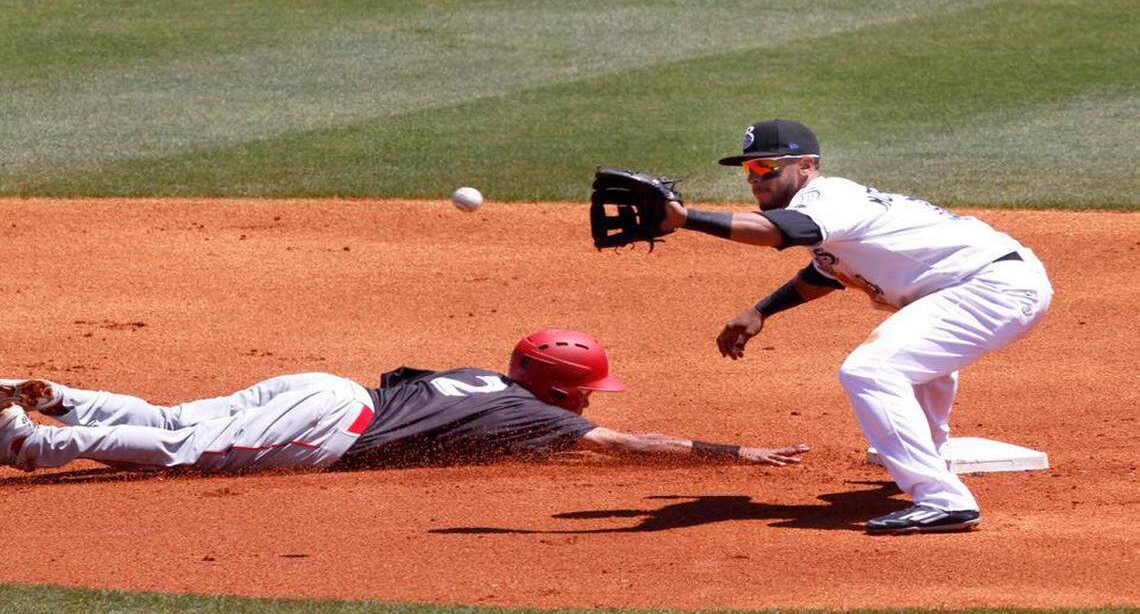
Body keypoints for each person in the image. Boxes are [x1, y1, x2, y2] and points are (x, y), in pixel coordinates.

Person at [659, 119, 1053, 534]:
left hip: (991, 286)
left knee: (871, 369)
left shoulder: (829, 197)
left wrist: (686, 219)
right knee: (914, 363)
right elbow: (827, 272)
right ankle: (931, 461)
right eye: (749, 171)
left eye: (767, 168)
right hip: (977, 285)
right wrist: (762, 311)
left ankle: (943, 501)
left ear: (807, 165)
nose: (757, 180)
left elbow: (783, 234)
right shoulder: (821, 209)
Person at [0, 329, 809, 475]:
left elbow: (404, 387)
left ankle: (59, 398)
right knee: (183, 451)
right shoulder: (535, 414)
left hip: (326, 387)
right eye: (584, 389)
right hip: (328, 426)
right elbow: (627, 444)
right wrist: (730, 453)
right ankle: (24, 439)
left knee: (178, 417)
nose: (587, 400)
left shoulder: (482, 378)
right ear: (559, 388)